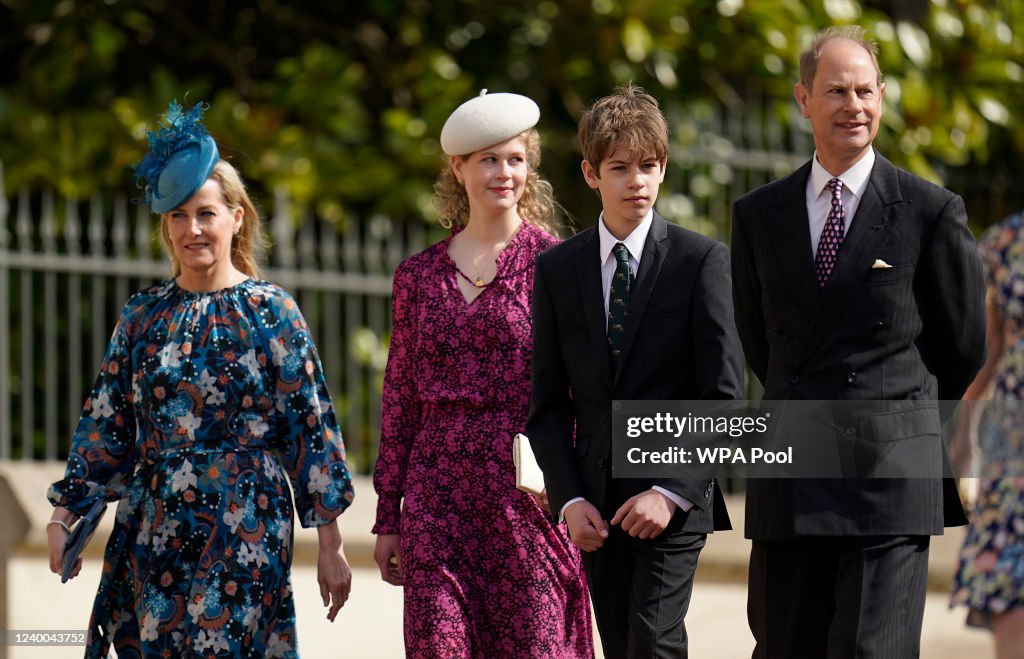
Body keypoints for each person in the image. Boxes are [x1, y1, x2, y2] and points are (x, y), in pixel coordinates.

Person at [45, 100, 355, 658]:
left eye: (206, 213)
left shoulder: (272, 310)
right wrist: (65, 513)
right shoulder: (142, 315)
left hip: (246, 521)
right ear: (166, 226)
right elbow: (105, 421)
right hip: (155, 522)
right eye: (179, 216)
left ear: (237, 217)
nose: (193, 229)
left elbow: (310, 425)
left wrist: (331, 545)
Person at [730, 25, 986, 658]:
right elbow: (758, 342)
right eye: (836, 90)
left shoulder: (931, 210)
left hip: (889, 478)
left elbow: (964, 347)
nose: (854, 105)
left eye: (866, 91)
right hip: (791, 470)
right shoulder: (758, 214)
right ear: (803, 99)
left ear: (883, 97)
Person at [371, 90, 594, 658]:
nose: (504, 173)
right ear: (458, 168)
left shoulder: (557, 265)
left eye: (515, 159)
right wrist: (387, 516)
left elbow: (580, 391)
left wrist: (574, 493)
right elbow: (399, 399)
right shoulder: (416, 276)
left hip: (526, 495)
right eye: (489, 159)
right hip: (435, 498)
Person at [526, 83, 743, 658]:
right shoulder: (557, 270)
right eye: (620, 167)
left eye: (649, 166)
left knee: (653, 642)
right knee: (622, 646)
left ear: (664, 168)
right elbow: (548, 406)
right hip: (595, 505)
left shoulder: (702, 262)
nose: (637, 181)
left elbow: (724, 396)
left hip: (673, 499)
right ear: (591, 174)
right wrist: (569, 501)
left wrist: (671, 492)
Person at [949, 210, 1024, 659]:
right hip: (1012, 453)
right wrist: (963, 436)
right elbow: (988, 350)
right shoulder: (1006, 242)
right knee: (1009, 589)